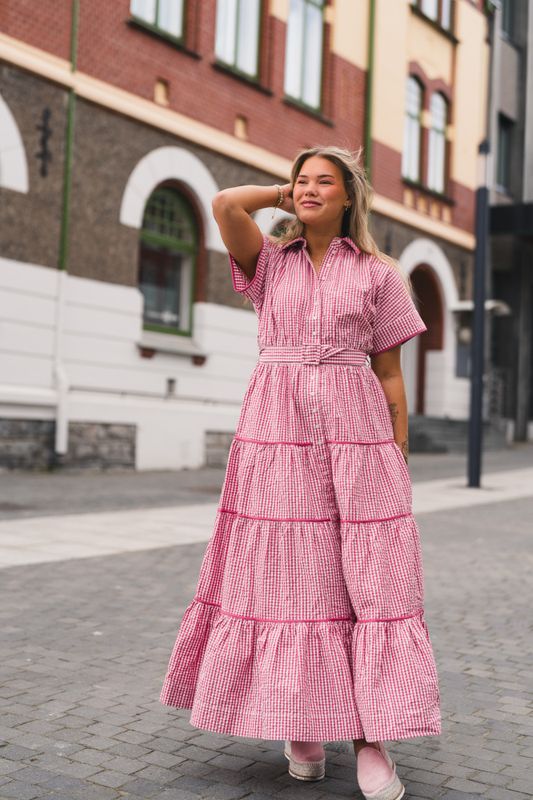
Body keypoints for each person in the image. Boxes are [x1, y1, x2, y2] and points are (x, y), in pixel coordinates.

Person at [159, 145, 441, 800]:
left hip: (358, 436)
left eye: (324, 182)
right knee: (293, 580)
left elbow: (390, 375)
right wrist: (279, 195)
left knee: (363, 586)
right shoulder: (267, 265)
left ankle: (371, 740)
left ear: (350, 197)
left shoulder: (377, 275)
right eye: (301, 180)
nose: (309, 189)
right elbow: (226, 204)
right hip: (275, 437)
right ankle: (301, 724)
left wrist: (395, 455)